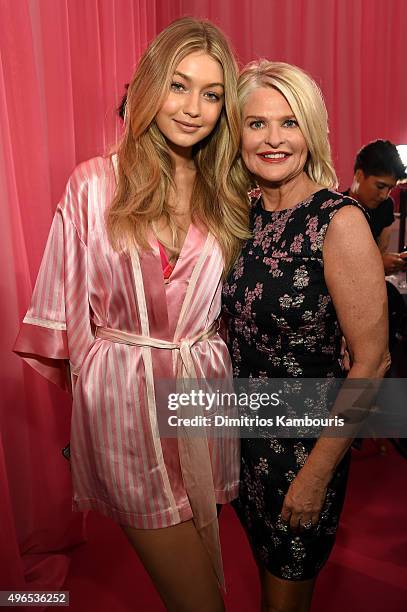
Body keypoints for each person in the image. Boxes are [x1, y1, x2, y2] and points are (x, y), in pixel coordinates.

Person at [14, 17, 249, 612]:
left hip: (203, 402)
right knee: (200, 600)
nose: (194, 107)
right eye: (178, 85)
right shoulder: (94, 185)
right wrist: (97, 388)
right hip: (126, 412)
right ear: (148, 87)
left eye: (212, 93)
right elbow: (60, 314)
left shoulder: (228, 193)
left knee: (205, 568)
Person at [222, 60, 390, 612]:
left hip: (304, 447)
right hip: (242, 439)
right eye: (256, 124)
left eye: (289, 123)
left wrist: (316, 474)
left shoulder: (338, 222)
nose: (273, 139)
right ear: (237, 133)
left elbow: (372, 363)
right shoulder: (241, 217)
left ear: (311, 131)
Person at [346, 139, 407, 275]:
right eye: (380, 186)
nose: (384, 195)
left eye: (390, 188)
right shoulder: (335, 208)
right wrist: (378, 265)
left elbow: (380, 252)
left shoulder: (385, 207)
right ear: (359, 175)